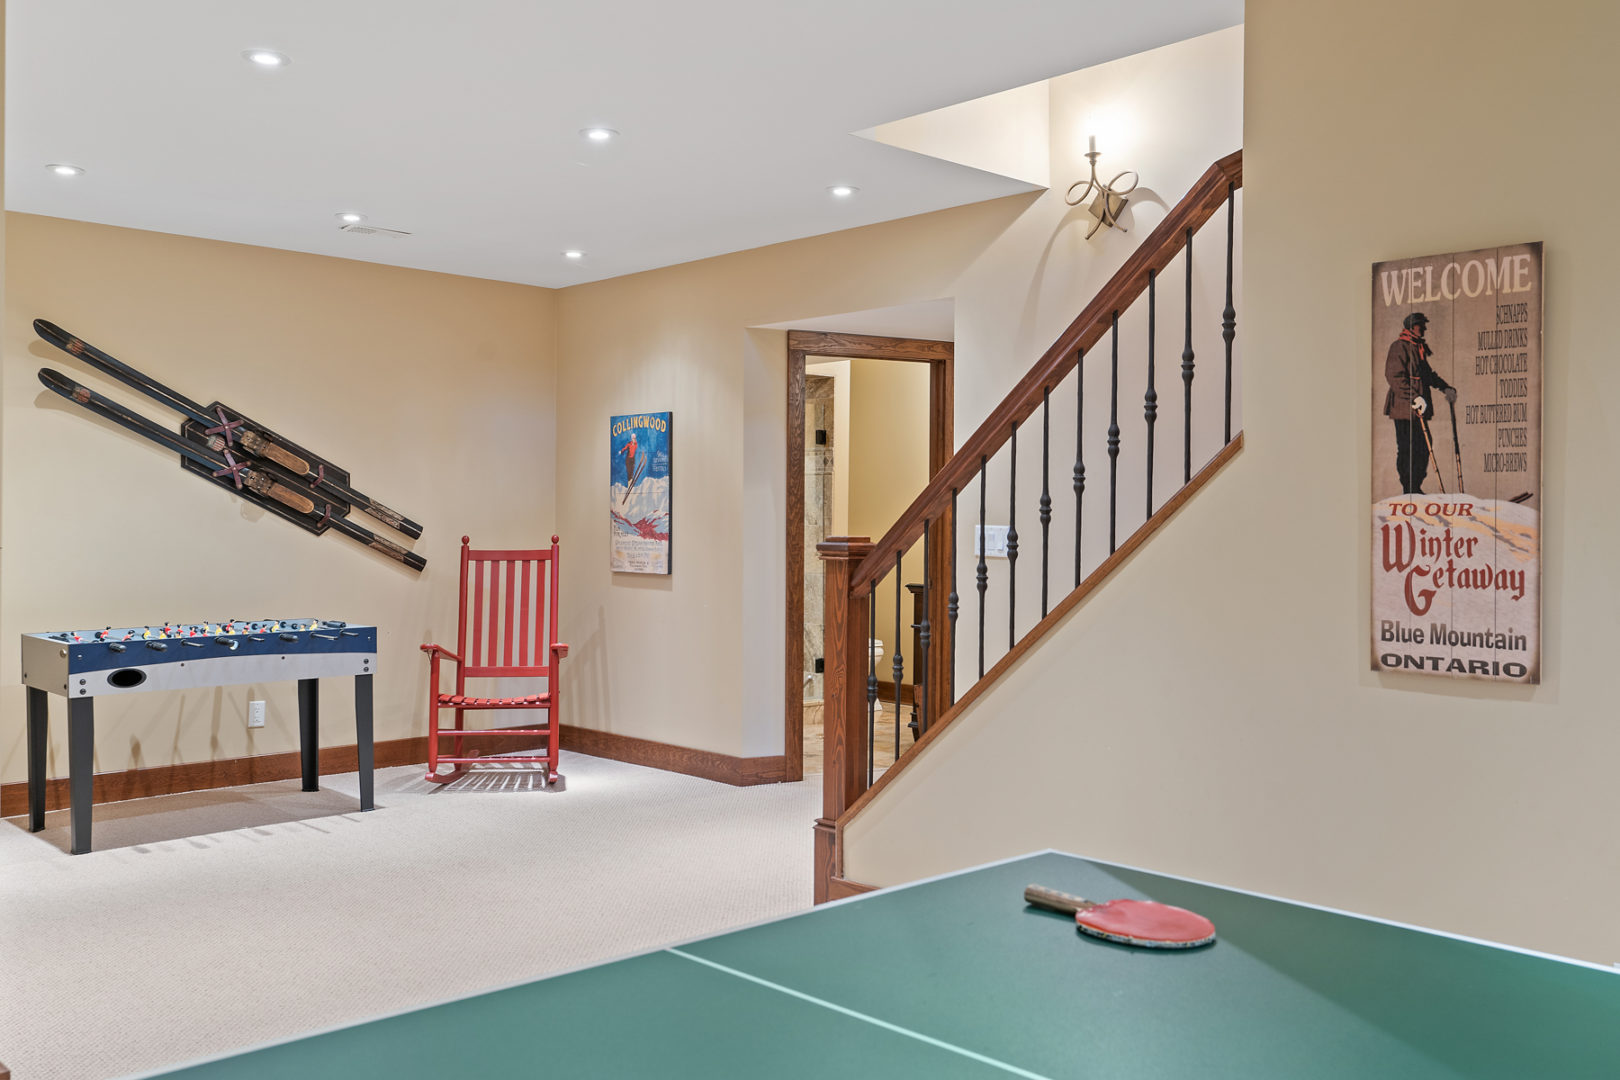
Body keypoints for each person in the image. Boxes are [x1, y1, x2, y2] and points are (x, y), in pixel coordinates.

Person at [1384, 312, 1456, 494]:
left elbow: (1427, 375)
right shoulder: (1399, 346)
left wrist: (1445, 387)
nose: (1424, 328)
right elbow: (1394, 376)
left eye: (1423, 325)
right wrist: (1413, 396)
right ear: (1411, 326)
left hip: (1418, 408)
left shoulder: (1418, 348)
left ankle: (1414, 487)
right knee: (1408, 448)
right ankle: (1409, 489)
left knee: (1423, 447)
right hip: (1403, 407)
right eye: (1420, 325)